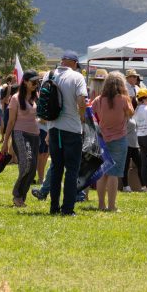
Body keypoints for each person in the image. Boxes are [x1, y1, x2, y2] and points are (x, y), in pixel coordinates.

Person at [47, 51, 88, 216]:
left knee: (56, 168)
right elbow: (81, 101)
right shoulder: (77, 77)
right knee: (72, 170)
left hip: (53, 126)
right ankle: (68, 208)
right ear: (74, 63)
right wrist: (82, 117)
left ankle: (54, 207)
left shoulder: (49, 75)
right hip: (71, 129)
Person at [91, 71, 133, 211]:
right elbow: (130, 113)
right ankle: (112, 206)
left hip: (102, 139)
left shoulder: (98, 99)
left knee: (103, 174)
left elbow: (92, 113)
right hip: (119, 139)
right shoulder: (123, 99)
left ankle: (101, 204)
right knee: (114, 174)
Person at [2, 70, 41, 207]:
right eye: (33, 82)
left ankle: (21, 197)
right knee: (26, 165)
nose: (36, 84)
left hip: (35, 135)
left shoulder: (37, 96)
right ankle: (17, 195)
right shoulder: (15, 98)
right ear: (25, 82)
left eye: (37, 82)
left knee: (32, 168)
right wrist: (5, 142)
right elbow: (11, 122)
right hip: (20, 134)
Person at [121, 104, 142, 192]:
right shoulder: (123, 117)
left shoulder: (133, 117)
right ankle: (125, 186)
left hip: (135, 145)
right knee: (125, 166)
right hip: (126, 144)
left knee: (140, 165)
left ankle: (144, 185)